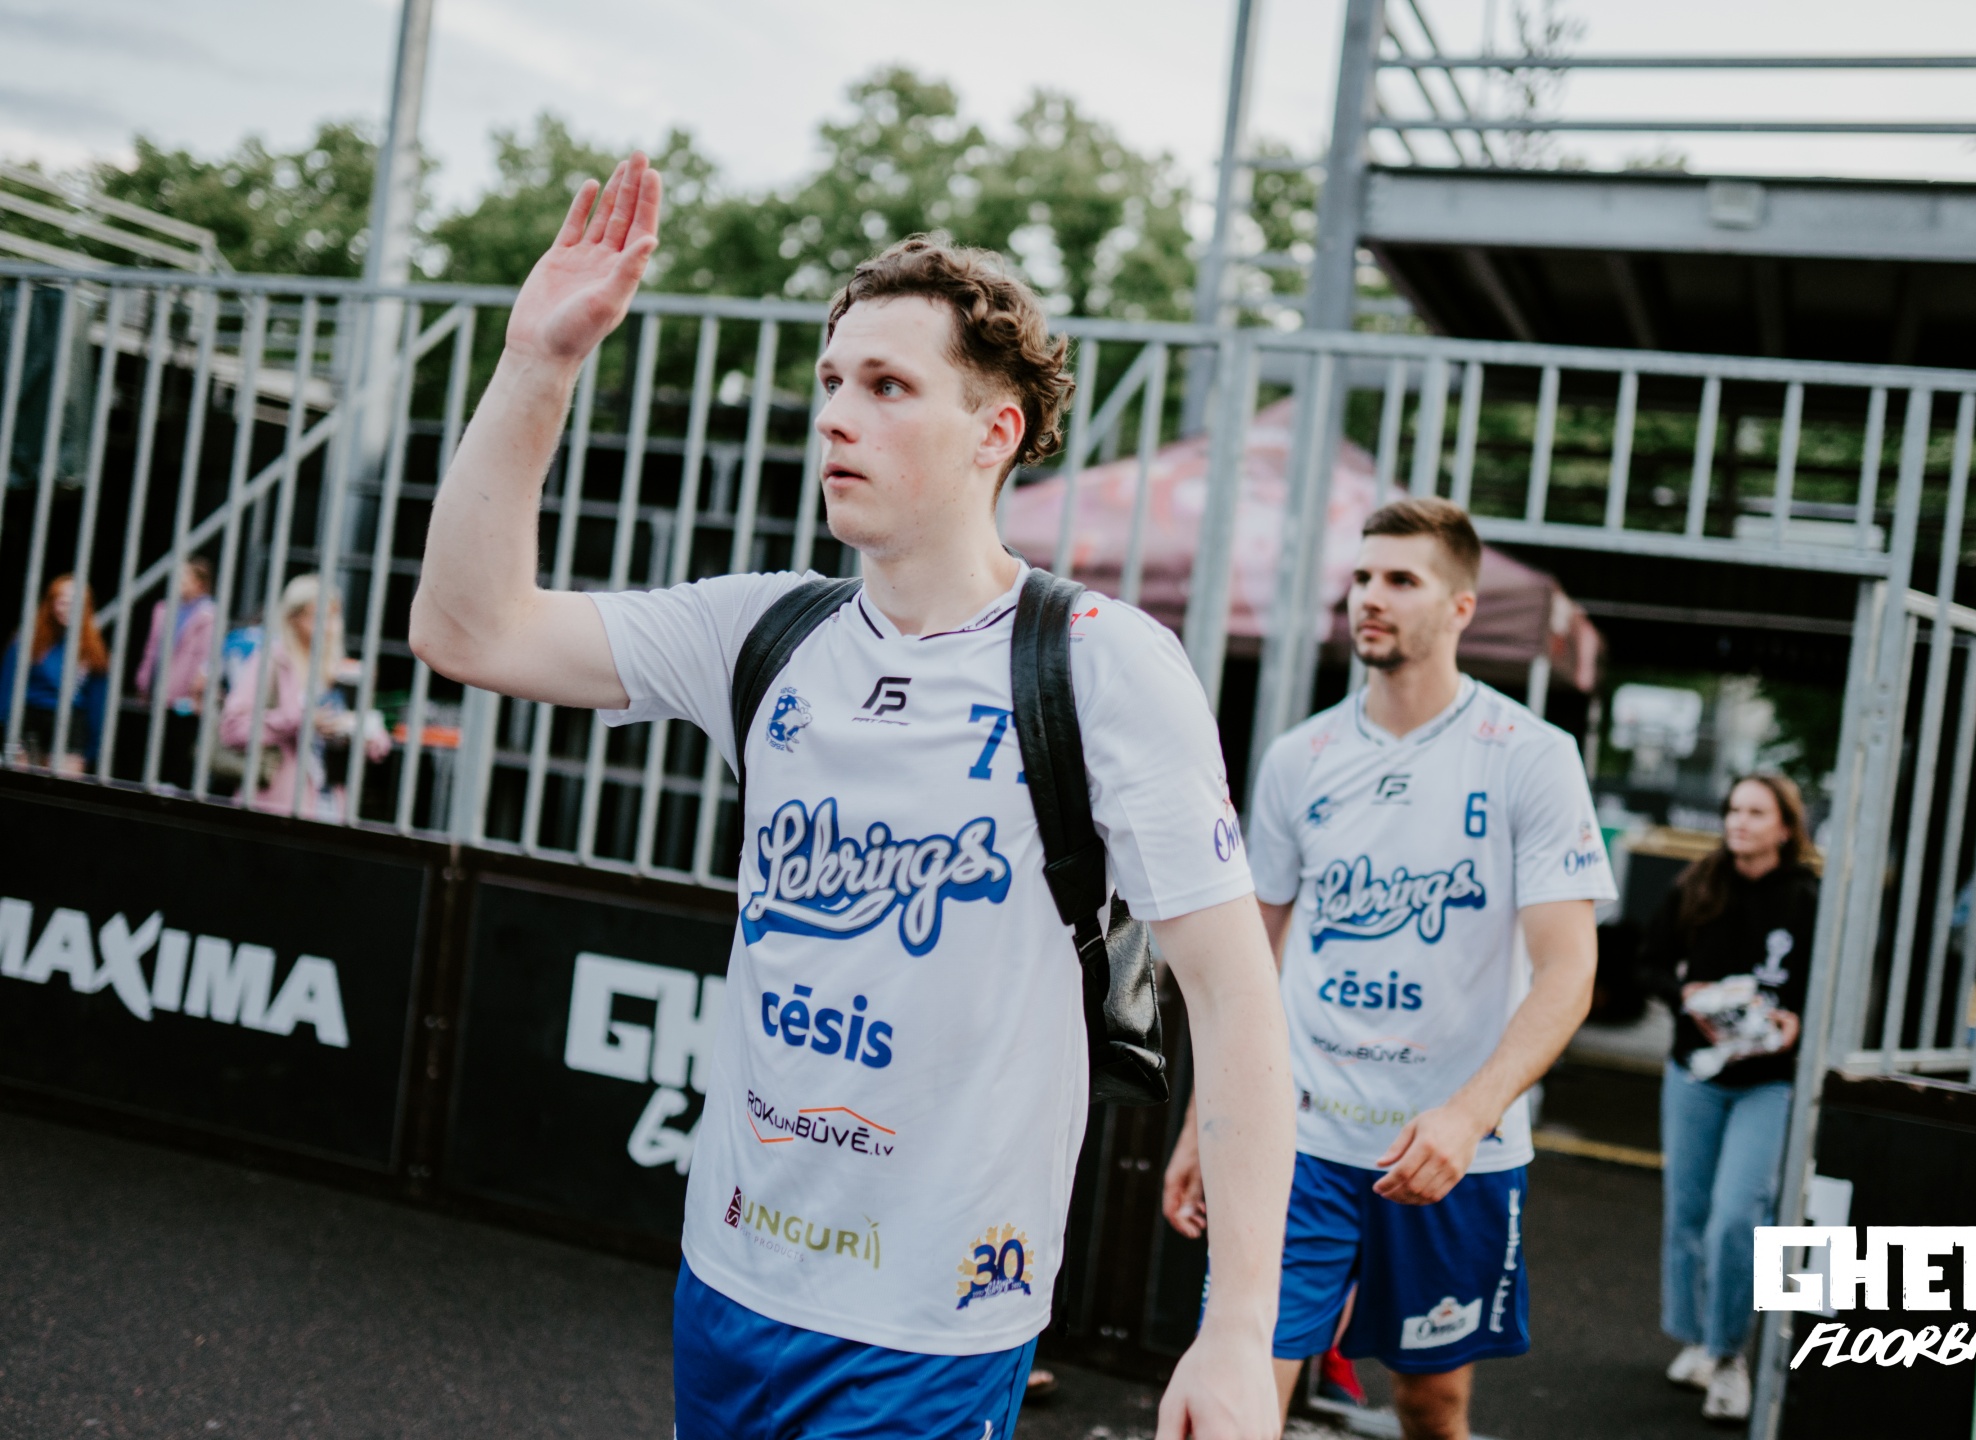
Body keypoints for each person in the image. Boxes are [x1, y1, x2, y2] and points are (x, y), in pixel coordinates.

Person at [406, 153, 1293, 1440]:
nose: (836, 415)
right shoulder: (767, 629)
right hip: (731, 1275)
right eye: (831, 381)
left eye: (887, 386)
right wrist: (539, 361)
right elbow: (467, 629)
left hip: (932, 1320)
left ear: (995, 432)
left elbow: (1235, 994)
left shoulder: (1100, 663)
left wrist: (1238, 1330)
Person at [1162, 497, 1609, 1440]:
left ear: (1460, 607)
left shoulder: (1532, 758)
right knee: (1240, 1387)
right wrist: (1210, 1119)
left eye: (1402, 580)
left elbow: (1569, 972)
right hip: (1300, 1141)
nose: (1370, 596)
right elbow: (1250, 963)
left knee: (1431, 1407)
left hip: (1454, 1152)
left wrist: (1468, 1115)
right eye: (1362, 576)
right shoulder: (1300, 758)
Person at [1638, 773, 1819, 1424]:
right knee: (1686, 1214)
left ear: (1785, 827)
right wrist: (1683, 995)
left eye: (1756, 812)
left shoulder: (1807, 898)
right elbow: (1649, 962)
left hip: (1768, 1080)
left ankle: (1728, 1355)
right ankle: (1693, 1338)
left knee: (1738, 1216)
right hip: (1694, 1072)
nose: (1739, 821)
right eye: (1733, 809)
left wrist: (1797, 1022)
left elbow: (1826, 986)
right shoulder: (1696, 884)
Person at [219, 573, 388, 817]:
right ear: (294, 617)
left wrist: (366, 732)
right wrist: (300, 720)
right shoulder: (273, 661)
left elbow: (375, 744)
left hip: (331, 801)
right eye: (318, 615)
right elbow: (233, 728)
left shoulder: (342, 668)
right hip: (277, 798)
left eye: (334, 615)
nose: (329, 625)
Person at [0, 573, 110, 773]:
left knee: (63, 788)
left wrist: (92, 748)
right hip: (28, 721)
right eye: (63, 602)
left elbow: (97, 703)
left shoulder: (93, 649)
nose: (69, 608)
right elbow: (7, 689)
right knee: (21, 786)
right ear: (51, 604)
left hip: (70, 725)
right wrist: (9, 731)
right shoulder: (26, 640)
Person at [135, 553, 219, 785]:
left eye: (184, 578)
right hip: (158, 690)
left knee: (179, 748)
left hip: (186, 697)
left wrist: (197, 690)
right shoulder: (163, 609)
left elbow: (206, 655)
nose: (178, 583)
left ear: (200, 583)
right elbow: (151, 648)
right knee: (154, 746)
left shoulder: (208, 614)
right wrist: (143, 679)